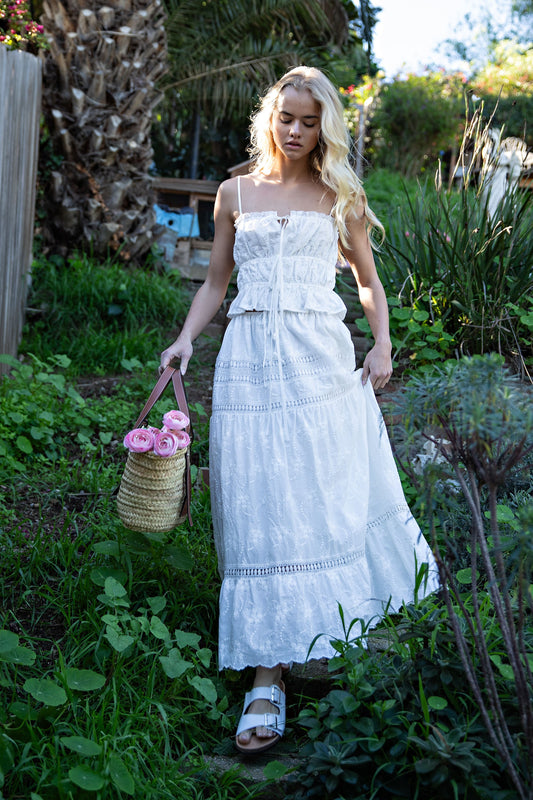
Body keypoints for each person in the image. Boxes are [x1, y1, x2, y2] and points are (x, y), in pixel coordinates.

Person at [160, 65, 439, 754]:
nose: (294, 130)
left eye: (308, 122)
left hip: (319, 362)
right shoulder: (233, 193)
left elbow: (368, 282)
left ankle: (331, 633)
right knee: (257, 500)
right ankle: (266, 675)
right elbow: (216, 281)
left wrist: (381, 344)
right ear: (270, 116)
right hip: (250, 363)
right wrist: (185, 339)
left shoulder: (339, 194)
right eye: (285, 117)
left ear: (324, 129)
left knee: (318, 493)